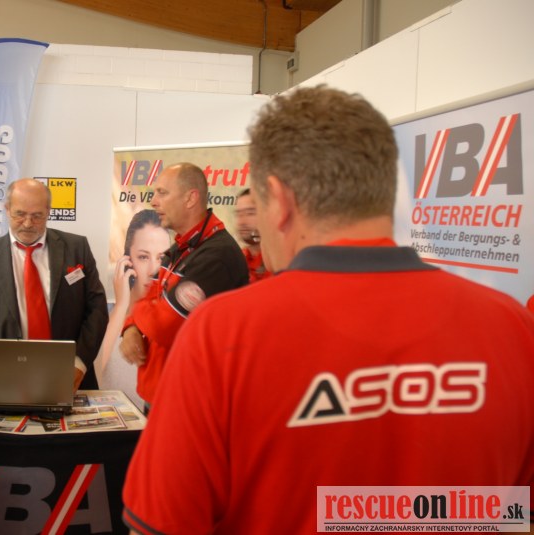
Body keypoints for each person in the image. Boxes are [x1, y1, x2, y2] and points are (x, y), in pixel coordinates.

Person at [122, 86, 534, 533]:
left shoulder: (221, 335)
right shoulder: (512, 327)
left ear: (279, 201)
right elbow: (519, 516)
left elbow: (160, 525)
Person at [0, 178, 108, 390]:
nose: (27, 223)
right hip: (4, 379)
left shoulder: (77, 248)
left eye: (37, 216)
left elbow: (97, 309)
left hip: (71, 376)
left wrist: (79, 363)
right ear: (7, 209)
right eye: (20, 214)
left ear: (48, 212)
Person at [119, 163, 249, 409]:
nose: (153, 201)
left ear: (191, 198)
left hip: (190, 401)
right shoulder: (182, 246)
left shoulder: (216, 256)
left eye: (162, 193)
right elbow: (145, 297)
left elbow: (163, 327)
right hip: (163, 393)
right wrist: (130, 327)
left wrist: (141, 313)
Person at [94, 209, 171, 411]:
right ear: (128, 261)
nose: (154, 269)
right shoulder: (107, 314)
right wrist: (121, 305)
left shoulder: (174, 315)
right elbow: (93, 376)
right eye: (143, 257)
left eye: (162, 258)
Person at [235, 187, 271, 282]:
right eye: (239, 214)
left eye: (250, 213)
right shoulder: (236, 259)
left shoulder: (281, 262)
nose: (242, 222)